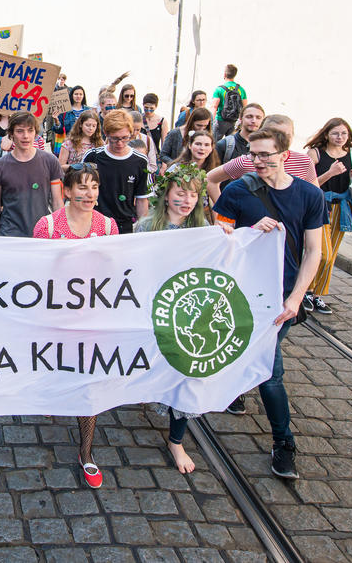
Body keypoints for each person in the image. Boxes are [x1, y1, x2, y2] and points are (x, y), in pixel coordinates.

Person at [214, 128, 324, 480]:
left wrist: (295, 298)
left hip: (284, 299)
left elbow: (314, 251)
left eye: (266, 155)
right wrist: (244, 232)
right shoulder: (237, 191)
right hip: (245, 296)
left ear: (284, 155)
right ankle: (284, 442)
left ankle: (247, 396)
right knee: (271, 371)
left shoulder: (308, 195)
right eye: (254, 154)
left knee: (265, 365)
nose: (258, 161)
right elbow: (218, 239)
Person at [32, 163, 119, 487]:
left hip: (92, 320)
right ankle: (52, 394)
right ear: (67, 191)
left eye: (93, 187)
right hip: (55, 319)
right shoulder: (48, 226)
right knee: (56, 371)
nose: (88, 193)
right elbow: (36, 274)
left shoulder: (108, 227)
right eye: (81, 187)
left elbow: (116, 273)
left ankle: (86, 452)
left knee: (89, 386)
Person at [134, 164, 216, 473]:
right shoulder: (145, 227)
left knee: (186, 374)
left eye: (193, 194)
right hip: (150, 309)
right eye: (180, 193)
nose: (186, 200)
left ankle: (177, 439)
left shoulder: (205, 231)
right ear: (166, 195)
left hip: (186, 312)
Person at [303, 118, 352, 315]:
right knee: (322, 254)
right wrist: (330, 173)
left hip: (342, 209)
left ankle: (317, 294)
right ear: (326, 134)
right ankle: (305, 290)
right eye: (336, 133)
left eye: (344, 134)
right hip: (320, 206)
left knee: (332, 254)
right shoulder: (315, 154)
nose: (340, 137)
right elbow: (307, 183)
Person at [206, 114, 317, 203]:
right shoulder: (247, 161)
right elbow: (210, 179)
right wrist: (222, 213)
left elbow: (315, 196)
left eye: (286, 135)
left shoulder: (304, 162)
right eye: (276, 134)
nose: (282, 140)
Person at [0, 111, 64, 237]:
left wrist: (61, 232)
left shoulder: (50, 161)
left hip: (42, 233)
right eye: (20, 131)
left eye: (30, 130)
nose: (26, 136)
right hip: (10, 235)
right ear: (11, 133)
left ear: (35, 132)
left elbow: (57, 202)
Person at [80, 110, 152, 234]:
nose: (120, 143)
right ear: (106, 134)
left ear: (131, 133)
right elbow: (80, 190)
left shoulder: (140, 161)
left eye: (125, 138)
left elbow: (142, 199)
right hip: (94, 223)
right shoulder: (93, 156)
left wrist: (142, 229)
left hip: (124, 225)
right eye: (115, 138)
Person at [211, 64, 248, 139]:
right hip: (234, 121)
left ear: (224, 74)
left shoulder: (219, 89)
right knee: (231, 144)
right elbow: (245, 107)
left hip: (220, 120)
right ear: (235, 75)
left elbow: (214, 107)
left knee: (214, 144)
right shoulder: (241, 89)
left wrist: (210, 121)